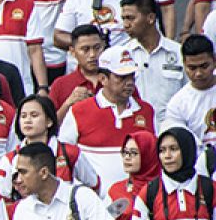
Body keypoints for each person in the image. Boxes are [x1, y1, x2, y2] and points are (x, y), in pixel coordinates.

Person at [58, 45, 156, 195]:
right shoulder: (79, 111)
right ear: (103, 79)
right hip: (93, 204)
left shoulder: (146, 111)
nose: (129, 82)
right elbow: (64, 154)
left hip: (138, 202)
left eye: (132, 76)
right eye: (121, 77)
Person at [121, 0, 184, 126]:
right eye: (124, 19)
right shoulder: (123, 55)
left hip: (173, 130)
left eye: (130, 18)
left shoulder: (179, 53)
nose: (126, 25)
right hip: (137, 131)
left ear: (150, 18)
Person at [163, 36, 216, 150]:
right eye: (192, 68)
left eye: (204, 66)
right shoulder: (177, 103)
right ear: (184, 65)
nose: (198, 73)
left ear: (214, 61)